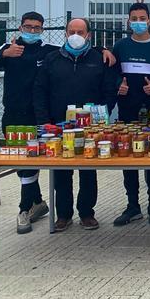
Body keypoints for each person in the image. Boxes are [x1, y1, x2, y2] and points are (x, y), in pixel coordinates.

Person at [33, 18, 118, 232]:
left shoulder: (100, 59)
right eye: (72, 31)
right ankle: (63, 215)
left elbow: (109, 90)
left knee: (88, 170)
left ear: (88, 35)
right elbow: (40, 91)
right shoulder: (51, 59)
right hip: (58, 126)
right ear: (65, 33)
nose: (76, 35)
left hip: (90, 127)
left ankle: (87, 213)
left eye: (81, 32)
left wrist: (101, 114)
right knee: (61, 171)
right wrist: (44, 121)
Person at [0, 12, 57, 234]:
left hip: (39, 116)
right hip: (13, 115)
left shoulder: (48, 49)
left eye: (36, 27)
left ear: (42, 29)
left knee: (30, 160)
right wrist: (5, 54)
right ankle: (37, 203)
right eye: (28, 26)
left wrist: (104, 51)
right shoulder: (10, 47)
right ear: (21, 27)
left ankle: (25, 209)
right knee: (20, 159)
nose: (32, 31)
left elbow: (75, 52)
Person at [112, 3, 150, 227]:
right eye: (134, 18)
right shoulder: (120, 46)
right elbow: (111, 75)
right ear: (128, 22)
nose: (138, 21)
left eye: (142, 17)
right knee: (129, 158)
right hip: (128, 110)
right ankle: (132, 206)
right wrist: (120, 85)